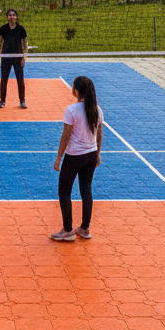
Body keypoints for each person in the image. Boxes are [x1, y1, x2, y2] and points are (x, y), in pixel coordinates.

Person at [51, 75, 103, 241]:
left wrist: (58, 158)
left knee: (64, 191)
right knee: (86, 190)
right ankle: (85, 229)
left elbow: (66, 136)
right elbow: (99, 133)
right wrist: (98, 153)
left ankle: (67, 230)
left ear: (77, 91)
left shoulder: (71, 110)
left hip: (74, 157)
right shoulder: (97, 109)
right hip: (90, 156)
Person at [0, 7, 27, 108]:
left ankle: (22, 100)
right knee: (4, 80)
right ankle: (2, 100)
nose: (12, 17)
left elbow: (25, 45)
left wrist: (24, 57)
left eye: (13, 15)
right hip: (6, 58)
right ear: (7, 17)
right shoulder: (3, 29)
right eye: (10, 15)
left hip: (17, 57)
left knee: (20, 80)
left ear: (16, 17)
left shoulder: (21, 29)